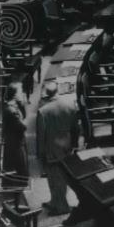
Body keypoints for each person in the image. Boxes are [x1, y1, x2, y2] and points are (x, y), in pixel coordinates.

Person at [36, 81, 82, 216]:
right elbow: (76, 129)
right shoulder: (70, 105)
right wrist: (74, 145)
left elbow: (41, 136)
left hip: (51, 149)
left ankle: (61, 207)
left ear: (46, 93)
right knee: (62, 176)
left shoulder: (43, 111)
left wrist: (40, 154)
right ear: (57, 91)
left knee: (54, 179)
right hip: (67, 146)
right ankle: (54, 201)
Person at [1, 81, 29, 188]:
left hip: (15, 140)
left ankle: (13, 186)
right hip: (15, 143)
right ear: (15, 94)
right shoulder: (11, 110)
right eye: (21, 91)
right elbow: (23, 126)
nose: (22, 93)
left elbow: (24, 115)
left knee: (14, 166)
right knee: (19, 166)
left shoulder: (14, 105)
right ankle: (16, 190)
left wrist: (22, 103)